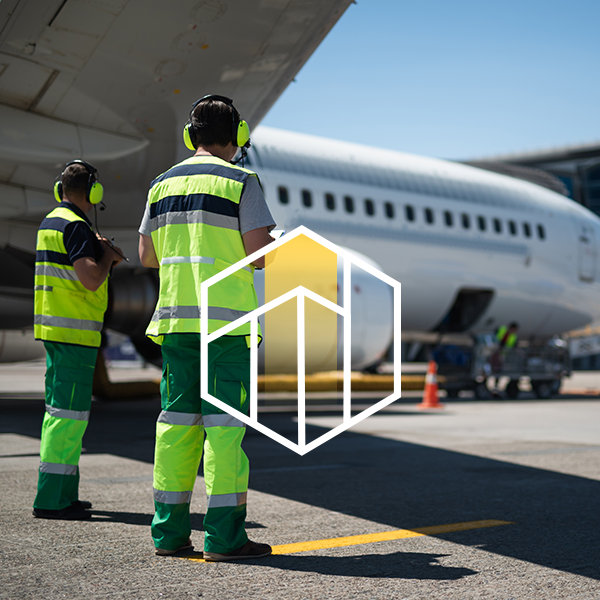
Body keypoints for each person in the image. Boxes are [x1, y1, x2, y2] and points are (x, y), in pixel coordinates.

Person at [138, 95, 276, 560]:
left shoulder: (160, 185)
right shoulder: (242, 181)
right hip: (225, 327)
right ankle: (224, 538)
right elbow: (259, 255)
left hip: (177, 324)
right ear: (237, 136)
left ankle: (169, 536)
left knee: (175, 429)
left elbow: (147, 257)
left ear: (189, 136)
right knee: (224, 432)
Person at [32, 160, 123, 520]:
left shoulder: (51, 222)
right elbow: (89, 278)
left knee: (65, 415)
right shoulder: (76, 227)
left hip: (57, 330)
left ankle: (65, 493)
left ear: (61, 190)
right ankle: (52, 500)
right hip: (74, 334)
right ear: (93, 193)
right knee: (67, 418)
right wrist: (108, 257)